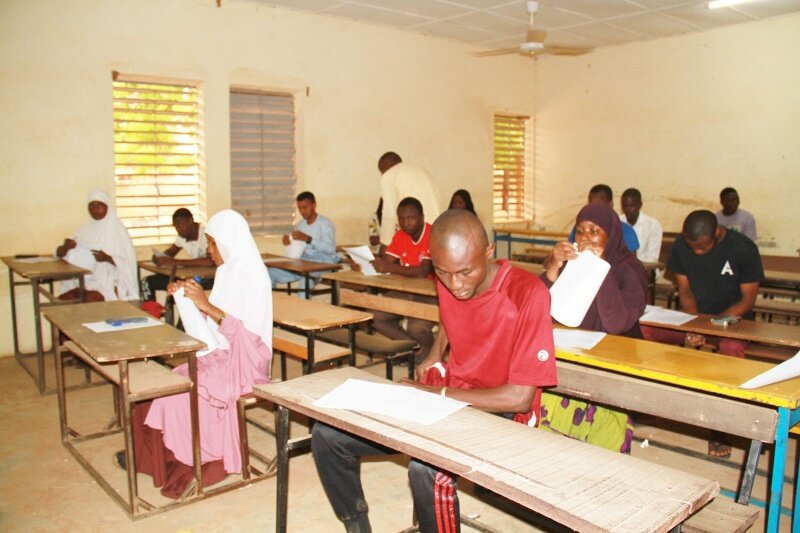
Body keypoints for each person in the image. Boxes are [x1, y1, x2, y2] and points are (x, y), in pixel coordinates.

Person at [312, 209, 557, 533]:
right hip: (448, 398)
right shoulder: (449, 278)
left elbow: (520, 398)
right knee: (327, 436)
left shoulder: (526, 294)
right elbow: (451, 318)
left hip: (501, 413)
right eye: (443, 272)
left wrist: (436, 393)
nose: (455, 284)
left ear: (488, 253)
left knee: (425, 469)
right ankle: (357, 527)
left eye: (465, 272)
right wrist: (434, 355)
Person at [117, 209, 273, 498]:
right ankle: (157, 458)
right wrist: (186, 298)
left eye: (213, 244)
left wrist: (206, 305)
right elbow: (214, 327)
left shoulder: (256, 280)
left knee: (185, 392)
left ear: (229, 243)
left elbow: (251, 342)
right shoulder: (226, 274)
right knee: (162, 384)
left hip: (245, 366)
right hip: (220, 356)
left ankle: (197, 458)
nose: (208, 249)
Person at [641, 209, 763, 457]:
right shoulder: (681, 246)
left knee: (730, 350)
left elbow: (747, 300)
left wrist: (711, 326)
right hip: (696, 317)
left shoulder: (743, 248)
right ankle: (642, 404)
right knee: (644, 329)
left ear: (717, 233)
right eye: (692, 246)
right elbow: (684, 291)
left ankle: (720, 427)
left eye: (702, 247)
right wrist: (695, 326)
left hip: (733, 322)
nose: (696, 252)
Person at [539, 203, 648, 453]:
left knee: (602, 440)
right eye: (579, 231)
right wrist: (554, 266)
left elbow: (617, 323)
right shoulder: (575, 264)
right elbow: (541, 306)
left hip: (615, 358)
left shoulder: (629, 269)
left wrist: (601, 270)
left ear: (611, 235)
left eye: (594, 231)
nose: (585, 238)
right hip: (577, 350)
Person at [371, 197, 436, 362]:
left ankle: (432, 354)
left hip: (432, 294)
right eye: (402, 218)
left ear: (422, 217)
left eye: (411, 217)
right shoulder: (400, 235)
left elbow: (423, 270)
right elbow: (387, 262)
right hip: (406, 290)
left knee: (417, 327)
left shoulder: (433, 234)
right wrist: (370, 264)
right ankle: (411, 347)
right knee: (375, 316)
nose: (406, 222)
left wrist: (388, 267)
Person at [56, 189, 137, 302]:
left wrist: (107, 258)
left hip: (106, 282)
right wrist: (65, 248)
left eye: (99, 206)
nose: (95, 210)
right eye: (91, 206)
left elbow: (128, 263)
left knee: (88, 302)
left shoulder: (116, 230)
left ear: (107, 206)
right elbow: (59, 254)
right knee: (61, 302)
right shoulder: (85, 230)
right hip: (82, 280)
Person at [268, 191, 338, 297]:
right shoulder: (301, 225)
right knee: (269, 274)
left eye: (305, 207)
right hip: (303, 263)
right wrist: (287, 241)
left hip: (322, 264)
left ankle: (301, 312)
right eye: (299, 208)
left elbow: (330, 249)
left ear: (314, 205)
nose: (302, 211)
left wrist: (309, 239)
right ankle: (270, 309)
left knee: (305, 282)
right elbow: (295, 243)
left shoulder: (325, 224)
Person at [141, 208, 214, 302]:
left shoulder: (206, 233)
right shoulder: (183, 236)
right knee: (147, 282)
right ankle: (152, 314)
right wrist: (160, 257)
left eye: (181, 225)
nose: (178, 229)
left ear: (191, 220)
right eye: (176, 227)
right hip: (193, 278)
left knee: (183, 292)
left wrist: (174, 262)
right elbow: (171, 251)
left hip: (208, 280)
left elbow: (209, 262)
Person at [378, 151, 442, 250]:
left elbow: (389, 212)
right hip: (437, 231)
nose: (382, 175)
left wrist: (386, 243)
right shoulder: (421, 171)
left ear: (384, 167)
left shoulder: (389, 175)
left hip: (416, 231)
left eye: (382, 172)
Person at [569, 184, 639, 253]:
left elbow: (630, 262)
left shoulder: (627, 232)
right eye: (591, 205)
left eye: (599, 206)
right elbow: (572, 255)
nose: (595, 209)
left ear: (610, 205)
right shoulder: (579, 229)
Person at [620, 188, 662, 264]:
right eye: (624, 206)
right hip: (623, 268)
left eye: (631, 206)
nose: (627, 209)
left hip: (647, 269)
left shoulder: (653, 225)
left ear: (640, 205)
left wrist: (634, 266)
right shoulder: (618, 222)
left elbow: (652, 258)